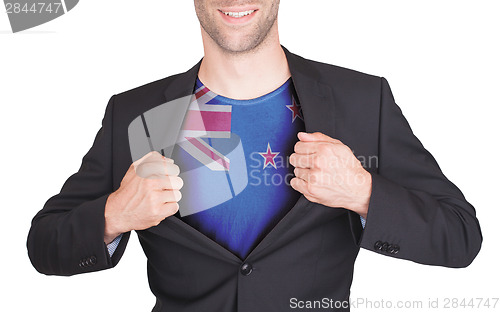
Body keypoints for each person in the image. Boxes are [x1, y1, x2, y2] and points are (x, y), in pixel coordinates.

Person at [27, 1, 482, 311]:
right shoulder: (135, 113)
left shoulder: (362, 100)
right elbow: (44, 245)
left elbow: (460, 236)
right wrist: (114, 214)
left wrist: (363, 192)